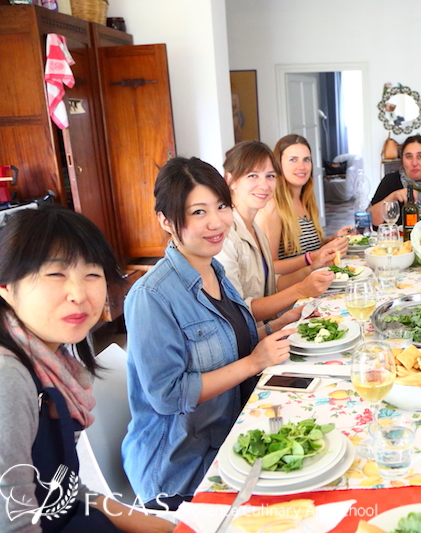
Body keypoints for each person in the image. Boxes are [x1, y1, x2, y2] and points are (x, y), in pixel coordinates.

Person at [122, 157, 295, 509]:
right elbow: (168, 396)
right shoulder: (151, 297)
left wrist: (282, 323)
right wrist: (253, 363)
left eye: (221, 206)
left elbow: (231, 339)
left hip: (232, 434)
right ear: (166, 221)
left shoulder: (213, 269)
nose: (216, 222)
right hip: (182, 469)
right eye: (198, 212)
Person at [0, 205, 173, 532]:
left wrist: (167, 528)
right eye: (55, 274)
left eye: (92, 274)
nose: (79, 294)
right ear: (7, 287)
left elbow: (64, 494)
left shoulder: (53, 362)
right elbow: (8, 523)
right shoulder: (4, 376)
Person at [216, 141, 334, 323]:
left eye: (270, 176)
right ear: (230, 180)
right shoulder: (224, 237)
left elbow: (272, 283)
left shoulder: (254, 230)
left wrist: (312, 269)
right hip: (246, 343)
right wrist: (301, 289)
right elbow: (238, 312)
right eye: (253, 176)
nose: (264, 185)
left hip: (265, 329)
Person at [255, 135, 350, 269]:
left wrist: (332, 240)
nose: (302, 166)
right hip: (295, 287)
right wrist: (314, 256)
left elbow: (305, 249)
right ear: (278, 164)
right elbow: (270, 268)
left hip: (317, 281)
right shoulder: (272, 206)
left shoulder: (306, 200)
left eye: (306, 160)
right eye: (293, 160)